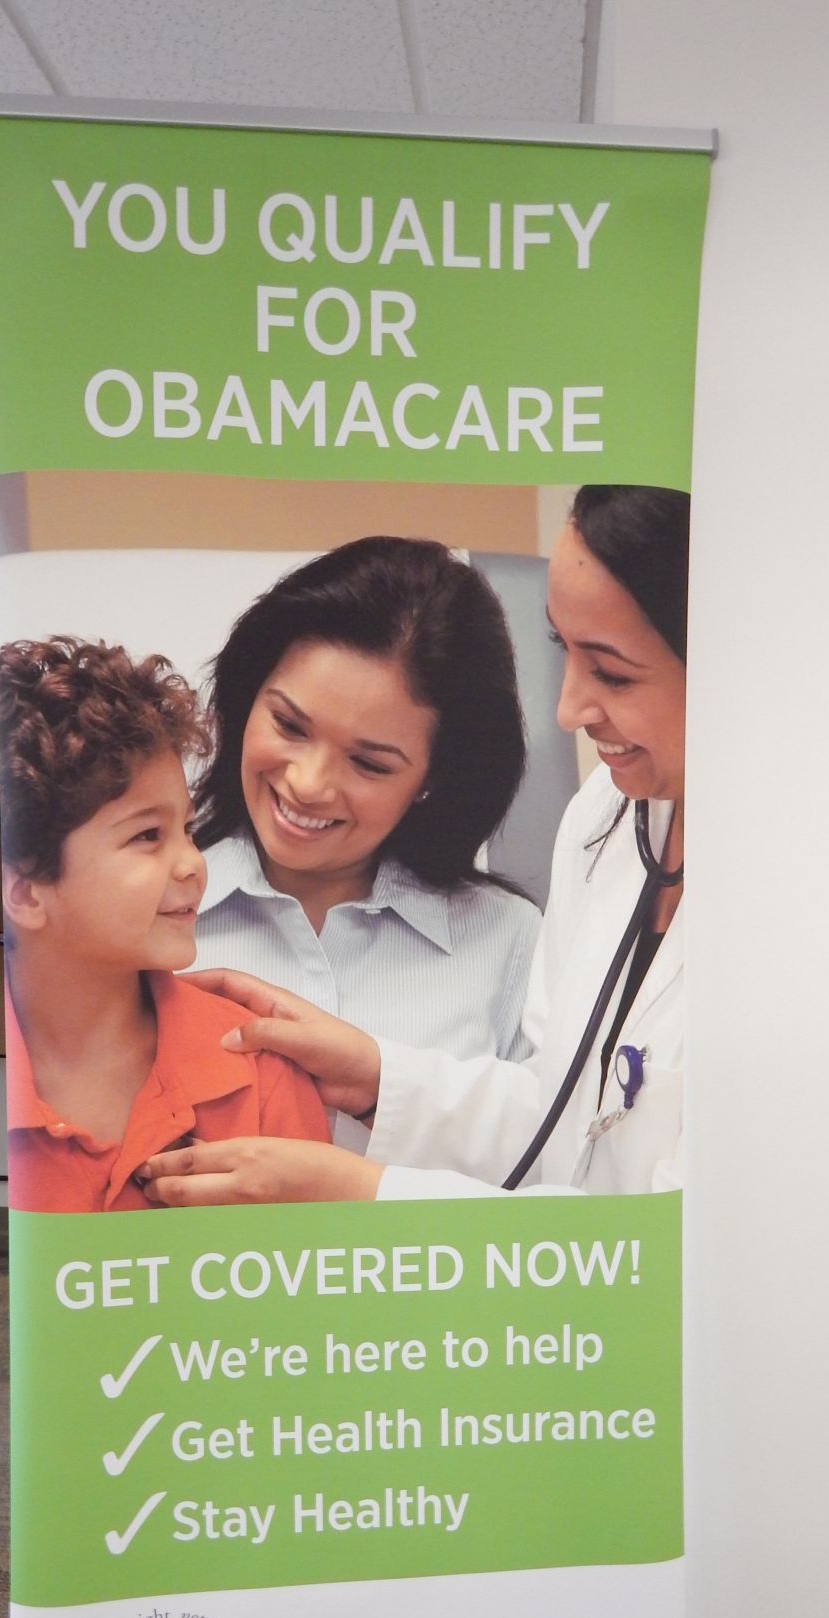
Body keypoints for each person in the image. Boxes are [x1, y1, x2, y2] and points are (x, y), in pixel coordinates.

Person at [140, 486, 689, 1207]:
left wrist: (359, 1188)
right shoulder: (603, 821)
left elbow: (670, 1231)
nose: (567, 710)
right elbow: (558, 1120)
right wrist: (376, 1076)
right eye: (562, 646)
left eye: (613, 671)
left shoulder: (505, 937)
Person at [0, 636, 328, 1214]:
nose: (193, 864)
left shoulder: (259, 1073)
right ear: (25, 892)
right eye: (147, 835)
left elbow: (320, 1283)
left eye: (189, 830)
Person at [190, 536, 539, 1060]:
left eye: (369, 763)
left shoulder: (508, 940)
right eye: (288, 725)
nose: (308, 784)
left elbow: (553, 1139)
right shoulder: (144, 915)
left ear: (434, 777)